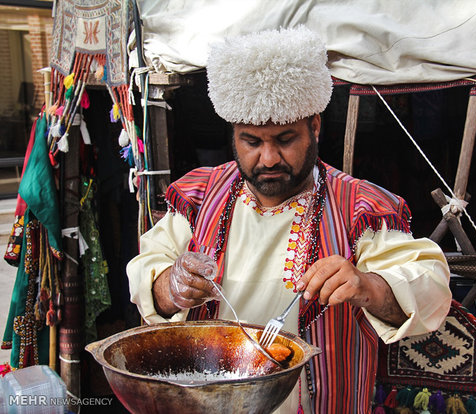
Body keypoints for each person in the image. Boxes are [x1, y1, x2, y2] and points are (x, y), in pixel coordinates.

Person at [127, 26, 451, 413]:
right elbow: (148, 273)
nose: (267, 159)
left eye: (284, 140)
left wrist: (365, 285)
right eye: (251, 141)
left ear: (314, 126)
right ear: (233, 134)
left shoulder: (359, 206)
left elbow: (430, 289)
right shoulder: (199, 197)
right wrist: (171, 285)